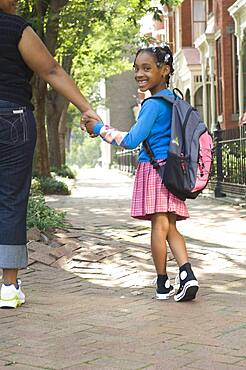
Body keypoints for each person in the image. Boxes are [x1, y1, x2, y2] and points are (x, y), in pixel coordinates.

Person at [0, 0, 100, 308]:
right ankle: (8, 286)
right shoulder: (17, 28)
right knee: (11, 199)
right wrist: (86, 108)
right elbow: (51, 70)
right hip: (13, 118)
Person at [83, 45, 199, 302]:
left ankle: (161, 283)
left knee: (159, 225)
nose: (139, 73)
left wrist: (101, 128)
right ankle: (187, 273)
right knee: (170, 226)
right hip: (173, 170)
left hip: (154, 170)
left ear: (164, 70)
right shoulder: (176, 101)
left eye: (147, 68)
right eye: (136, 68)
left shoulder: (152, 105)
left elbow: (132, 139)